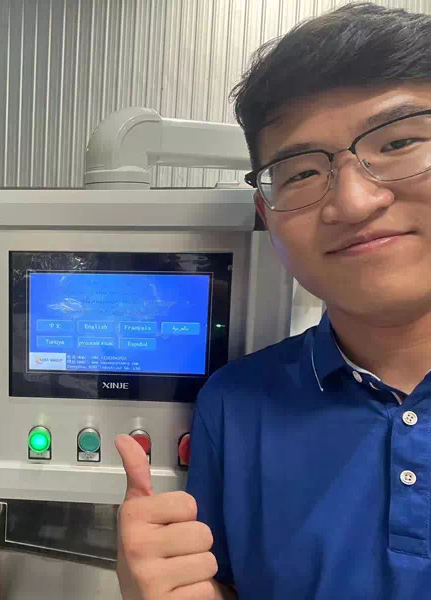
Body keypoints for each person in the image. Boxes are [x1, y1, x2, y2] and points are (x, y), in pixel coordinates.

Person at [115, 3, 431, 599]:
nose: (354, 201)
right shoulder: (236, 405)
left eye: (399, 143)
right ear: (267, 213)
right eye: (303, 172)